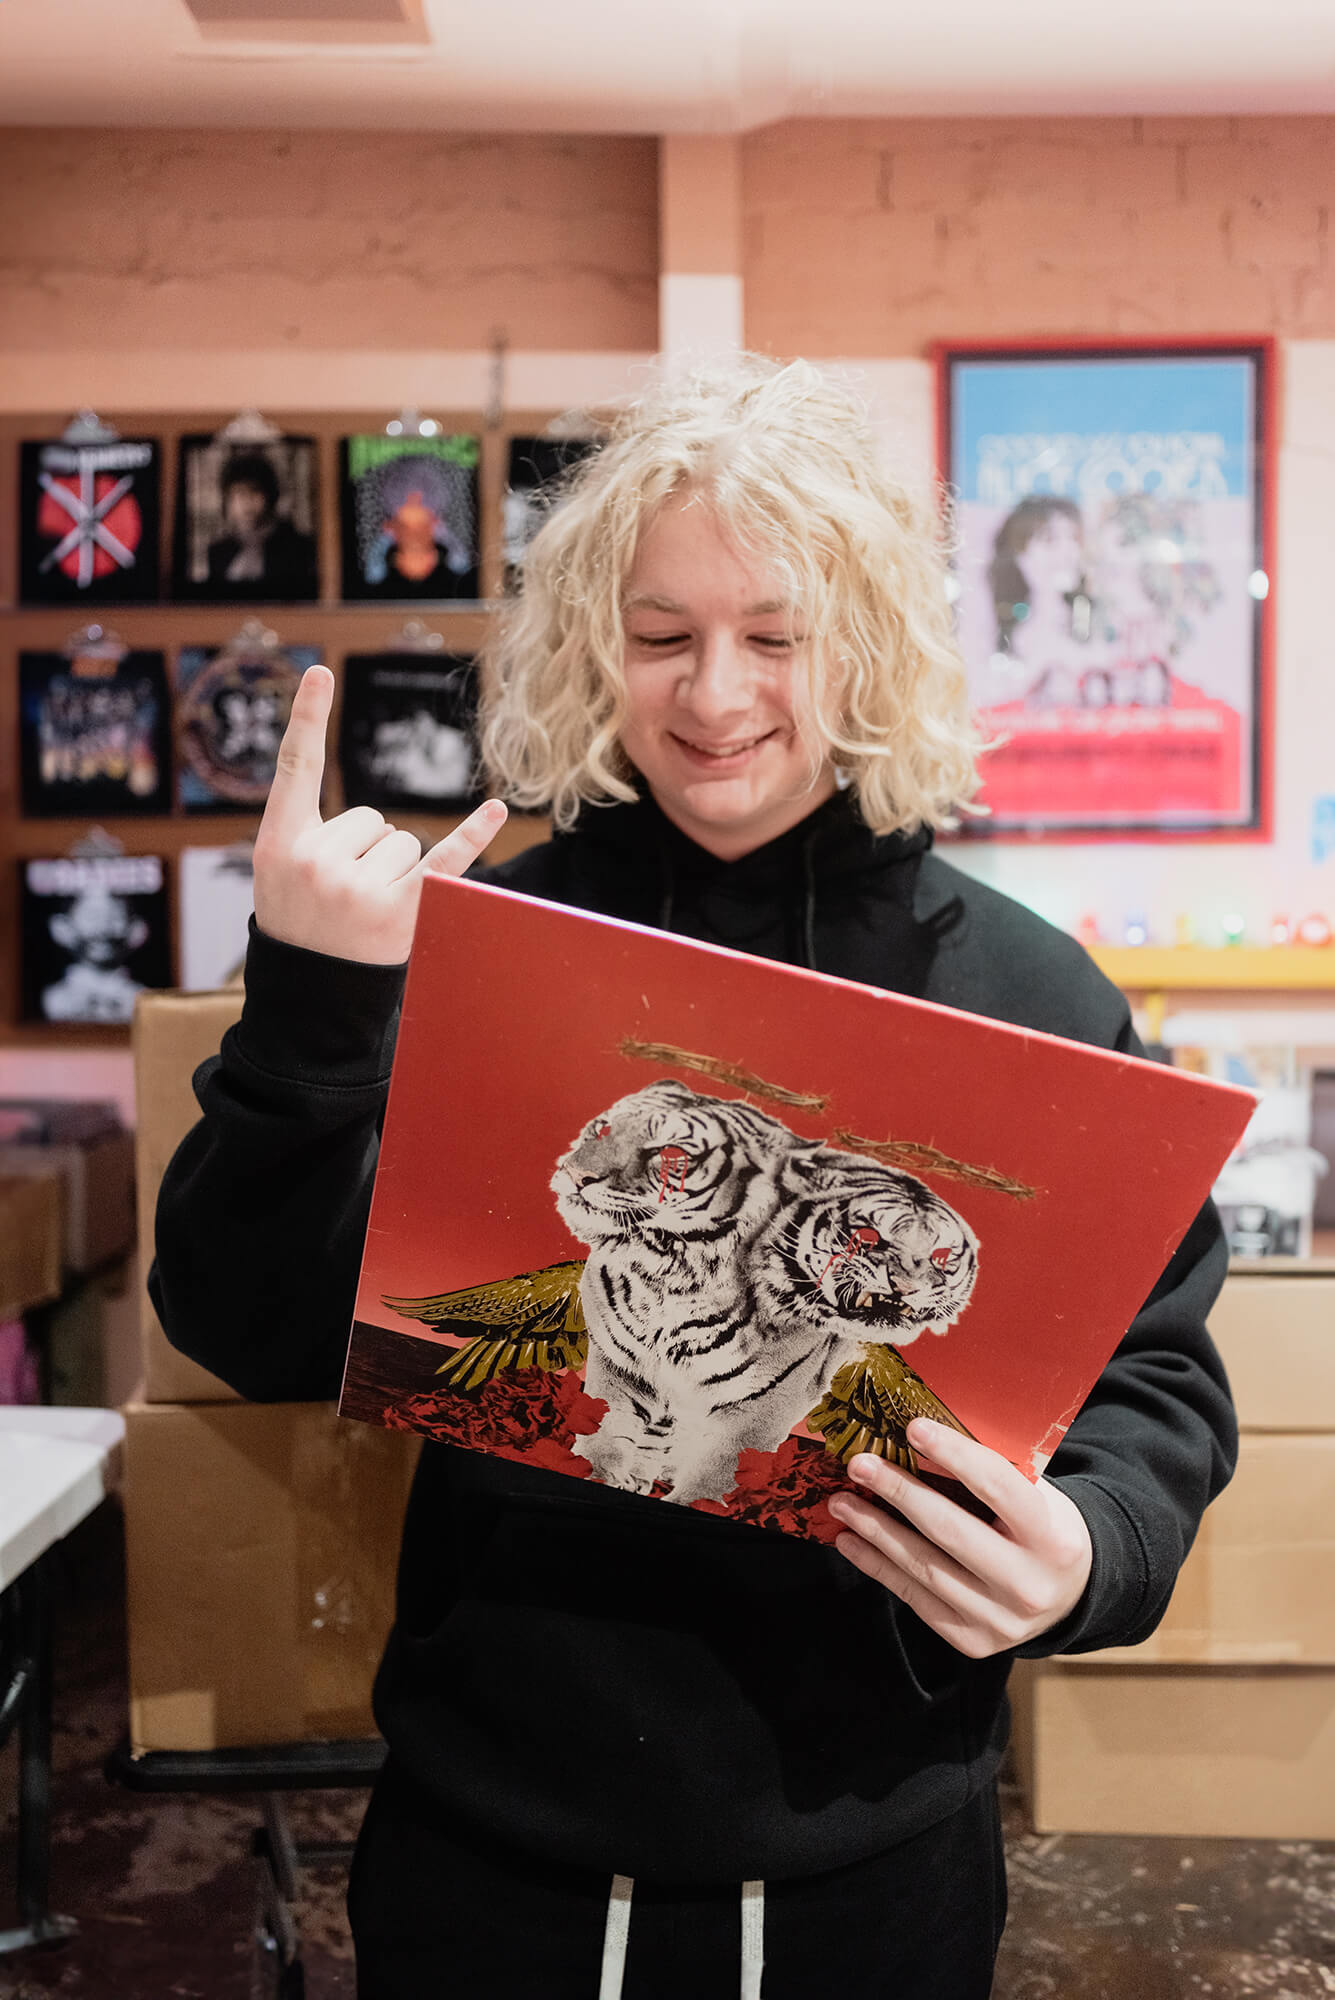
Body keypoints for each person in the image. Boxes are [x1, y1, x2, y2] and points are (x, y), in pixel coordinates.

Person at [150, 358, 1236, 2000]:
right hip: (491, 1844)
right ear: (597, 642)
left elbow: (1157, 1374)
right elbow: (250, 1325)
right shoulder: (480, 946)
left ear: (866, 639)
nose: (715, 694)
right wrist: (311, 1005)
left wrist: (1098, 1544)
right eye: (662, 635)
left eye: (777, 635)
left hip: (873, 1859)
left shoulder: (1032, 989)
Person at [205, 450, 318, 598]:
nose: (247, 502)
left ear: (271, 495)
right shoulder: (218, 552)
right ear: (228, 501)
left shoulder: (299, 546)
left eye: (254, 491)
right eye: (239, 493)